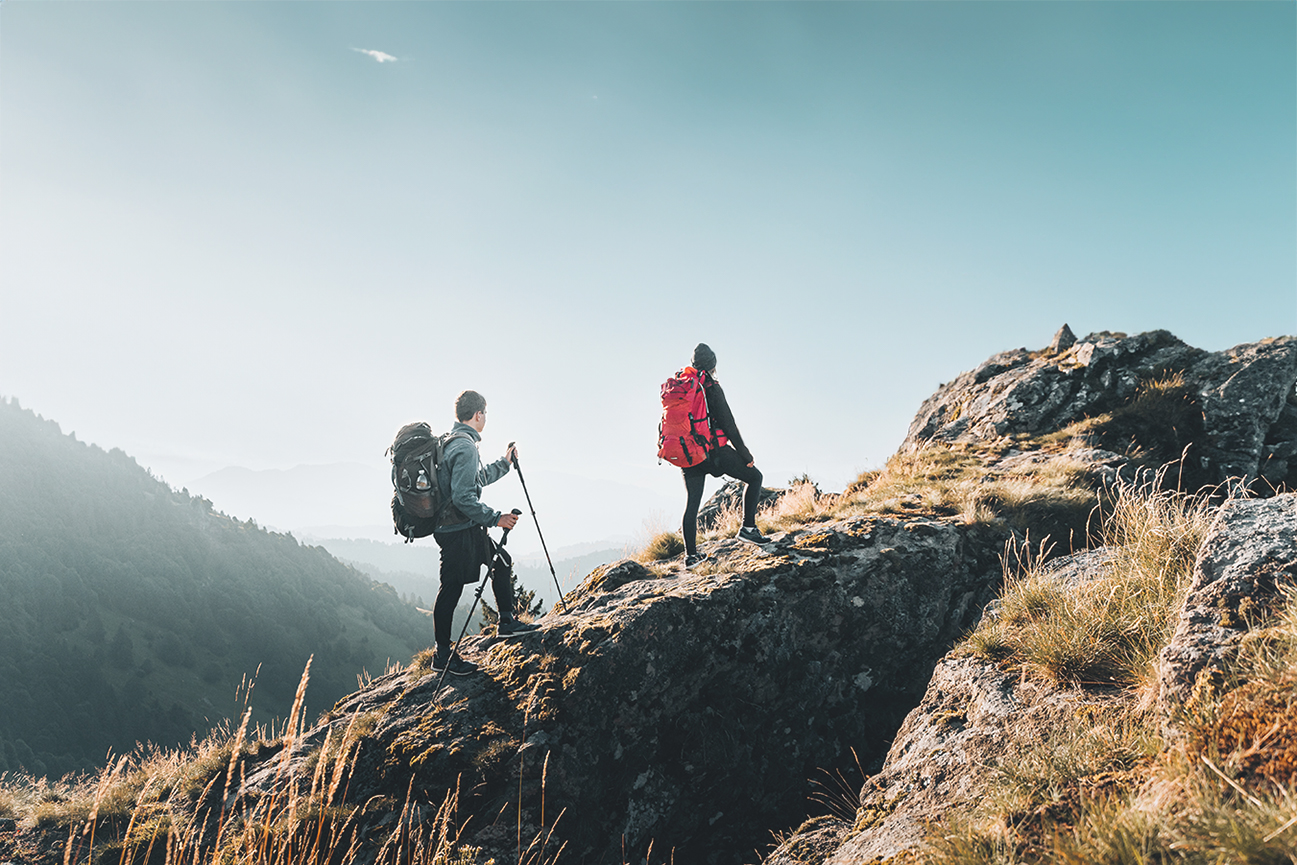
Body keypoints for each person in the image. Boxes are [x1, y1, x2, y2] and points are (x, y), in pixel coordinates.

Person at [431, 389, 538, 676]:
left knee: (501, 561)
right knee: (451, 588)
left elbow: (474, 481)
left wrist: (504, 463)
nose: (486, 418)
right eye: (485, 413)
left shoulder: (452, 441)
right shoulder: (464, 447)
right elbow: (464, 497)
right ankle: (442, 655)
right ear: (478, 414)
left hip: (459, 527)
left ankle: (506, 622)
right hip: (458, 530)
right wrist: (496, 518)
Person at [681, 343, 769, 568]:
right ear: (713, 365)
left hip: (690, 455)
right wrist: (745, 454)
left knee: (692, 504)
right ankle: (748, 529)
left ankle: (691, 557)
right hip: (714, 452)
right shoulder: (711, 387)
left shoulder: (684, 388)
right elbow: (729, 426)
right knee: (755, 477)